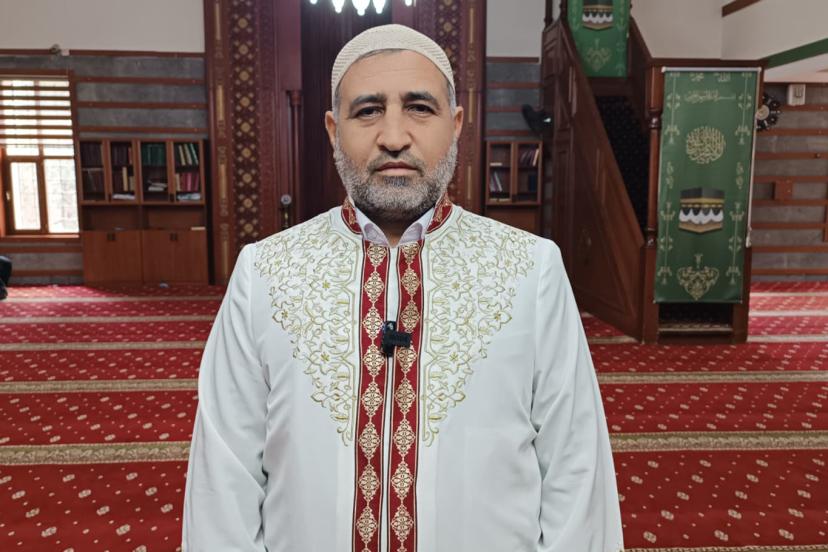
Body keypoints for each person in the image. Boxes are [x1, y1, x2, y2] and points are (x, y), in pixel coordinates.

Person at [183, 24, 623, 552]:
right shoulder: (265, 273)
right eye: (368, 110)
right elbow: (223, 480)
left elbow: (576, 470)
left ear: (455, 124)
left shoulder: (531, 269)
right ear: (333, 130)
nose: (393, 135)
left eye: (419, 107)